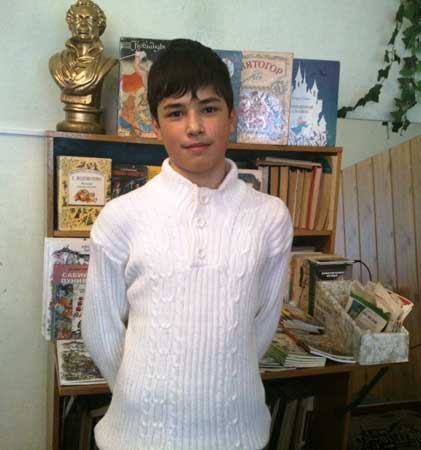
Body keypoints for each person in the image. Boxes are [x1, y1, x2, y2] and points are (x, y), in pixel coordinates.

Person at [82, 38, 293, 450]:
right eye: (176, 113)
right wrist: (142, 397)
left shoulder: (270, 217)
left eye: (209, 109)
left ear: (232, 117)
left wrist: (222, 385)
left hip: (237, 432)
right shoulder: (122, 216)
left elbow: (262, 324)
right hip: (138, 435)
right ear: (156, 126)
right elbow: (101, 329)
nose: (194, 126)